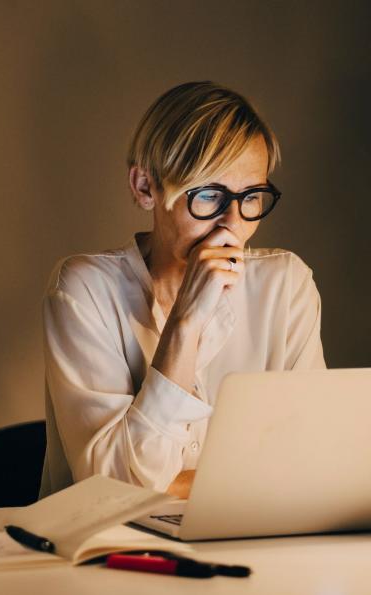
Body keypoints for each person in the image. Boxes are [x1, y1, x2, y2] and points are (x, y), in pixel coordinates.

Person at [39, 81, 325, 500]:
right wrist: (186, 322)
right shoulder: (83, 289)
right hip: (105, 550)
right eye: (209, 195)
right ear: (144, 188)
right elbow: (115, 491)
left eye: (251, 197)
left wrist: (180, 486)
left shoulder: (285, 284)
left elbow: (310, 462)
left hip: (252, 538)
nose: (232, 225)